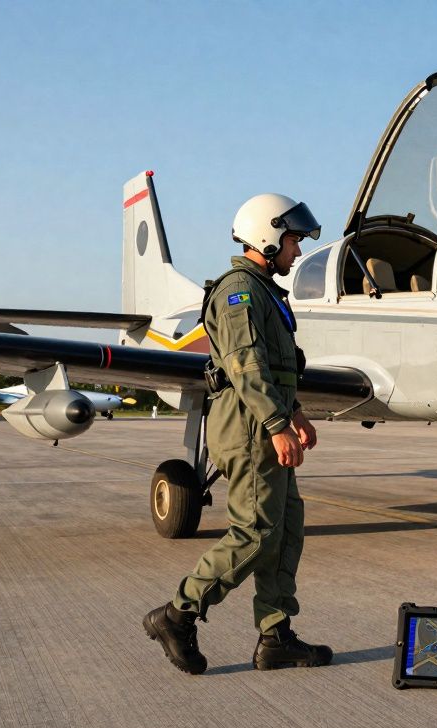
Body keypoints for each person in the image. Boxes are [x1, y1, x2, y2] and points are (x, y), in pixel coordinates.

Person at [143, 193, 330, 675]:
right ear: (266, 237)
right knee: (255, 533)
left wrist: (296, 413)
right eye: (292, 241)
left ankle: (275, 636)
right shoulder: (238, 292)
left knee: (284, 530)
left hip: (267, 421)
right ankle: (177, 614)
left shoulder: (265, 290)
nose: (297, 251)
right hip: (248, 428)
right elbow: (245, 363)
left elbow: (276, 367)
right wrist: (274, 424)